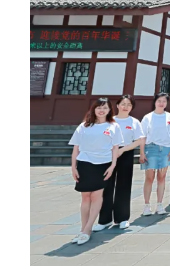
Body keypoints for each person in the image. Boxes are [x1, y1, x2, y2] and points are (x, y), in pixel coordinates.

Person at [69, 98, 124, 245]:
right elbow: (76, 148)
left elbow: (115, 148)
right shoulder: (84, 126)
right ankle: (83, 229)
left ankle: (88, 229)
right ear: (93, 109)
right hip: (84, 163)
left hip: (103, 164)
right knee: (85, 197)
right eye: (99, 107)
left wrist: (112, 166)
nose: (101, 110)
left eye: (105, 108)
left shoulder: (113, 126)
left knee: (96, 196)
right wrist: (73, 167)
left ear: (109, 110)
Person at [95, 95, 144, 232]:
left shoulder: (134, 122)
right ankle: (104, 220)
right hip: (108, 154)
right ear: (117, 105)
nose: (125, 107)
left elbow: (139, 140)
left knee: (124, 185)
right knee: (106, 186)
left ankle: (122, 218)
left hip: (125, 153)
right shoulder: (110, 121)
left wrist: (122, 150)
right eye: (123, 104)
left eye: (129, 104)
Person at [140, 92, 170, 215]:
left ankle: (160, 204)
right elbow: (143, 136)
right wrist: (142, 152)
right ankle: (147, 205)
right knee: (149, 178)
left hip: (166, 149)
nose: (161, 103)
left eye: (164, 101)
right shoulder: (148, 117)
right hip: (151, 148)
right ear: (155, 102)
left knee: (162, 177)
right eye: (159, 101)